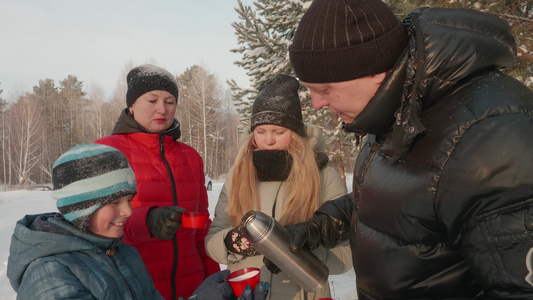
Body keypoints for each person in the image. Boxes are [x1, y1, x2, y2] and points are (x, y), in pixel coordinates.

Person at [286, 0, 533, 298]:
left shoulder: (490, 135)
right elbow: (404, 196)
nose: (315, 104)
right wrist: (321, 227)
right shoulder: (394, 110)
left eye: (324, 89)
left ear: (374, 69)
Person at [205, 74, 353, 300]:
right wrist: (231, 242)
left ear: (295, 134)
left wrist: (306, 248)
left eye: (279, 132)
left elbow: (346, 256)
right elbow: (213, 239)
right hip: (247, 293)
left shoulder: (323, 176)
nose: (268, 140)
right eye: (261, 131)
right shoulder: (238, 175)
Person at [95, 64, 220, 299]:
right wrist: (148, 221)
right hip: (134, 285)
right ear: (132, 105)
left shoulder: (190, 157)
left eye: (170, 101)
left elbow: (201, 229)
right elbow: (95, 225)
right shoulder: (107, 150)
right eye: (152, 101)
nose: (162, 109)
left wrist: (212, 281)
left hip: (191, 287)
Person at [7, 143, 164, 299]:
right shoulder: (52, 273)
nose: (128, 211)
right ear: (79, 209)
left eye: (129, 200)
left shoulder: (125, 253)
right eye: (114, 203)